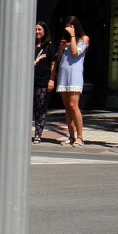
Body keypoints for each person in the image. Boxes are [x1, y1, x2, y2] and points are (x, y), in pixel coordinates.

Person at [54, 16, 89, 146]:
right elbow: (58, 58)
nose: (68, 29)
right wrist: (62, 47)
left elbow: (75, 52)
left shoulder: (83, 39)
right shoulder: (67, 41)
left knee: (74, 106)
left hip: (74, 76)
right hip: (64, 75)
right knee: (67, 107)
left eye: (71, 26)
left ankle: (80, 137)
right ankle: (71, 136)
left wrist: (73, 36)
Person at [32, 20, 54, 143]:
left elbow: (53, 64)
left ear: (44, 31)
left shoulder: (49, 46)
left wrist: (51, 79)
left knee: (41, 107)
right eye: (35, 29)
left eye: (39, 29)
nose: (37, 32)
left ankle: (38, 134)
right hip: (30, 81)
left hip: (42, 81)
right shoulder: (30, 44)